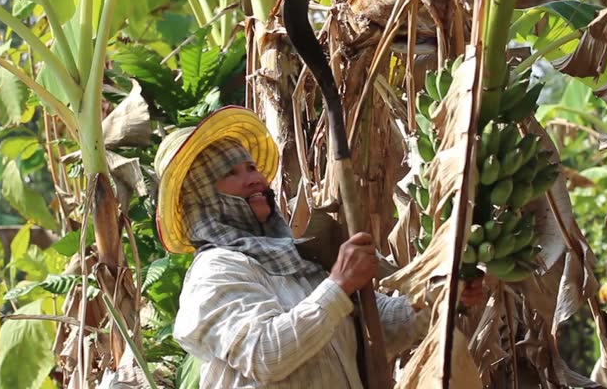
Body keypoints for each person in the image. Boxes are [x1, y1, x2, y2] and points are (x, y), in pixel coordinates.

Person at [154, 106, 428, 388]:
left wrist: (439, 299)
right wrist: (338, 285)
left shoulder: (299, 260)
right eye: (231, 173)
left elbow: (384, 325)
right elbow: (265, 355)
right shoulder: (216, 271)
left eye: (251, 167)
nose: (255, 179)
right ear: (203, 197)